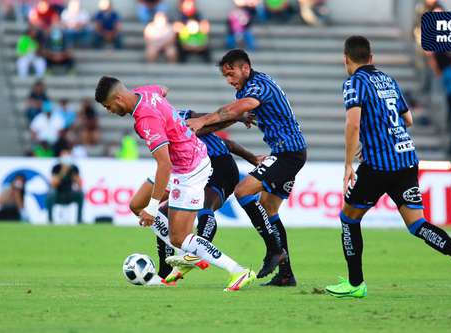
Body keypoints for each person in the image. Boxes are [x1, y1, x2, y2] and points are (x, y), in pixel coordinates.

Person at [324, 36, 451, 299]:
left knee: (348, 218)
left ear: (346, 59)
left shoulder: (353, 83)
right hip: (406, 160)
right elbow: (407, 119)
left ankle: (355, 283)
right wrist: (379, 134)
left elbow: (352, 124)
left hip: (378, 166)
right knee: (416, 224)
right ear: (371, 58)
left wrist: (349, 164)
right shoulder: (389, 80)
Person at [94, 76, 256, 291]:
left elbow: (164, 165)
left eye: (108, 106)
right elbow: (163, 89)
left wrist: (153, 209)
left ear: (118, 98)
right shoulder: (146, 91)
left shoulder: (145, 120)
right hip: (182, 160)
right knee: (136, 206)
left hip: (188, 168)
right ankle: (187, 255)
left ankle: (238, 270)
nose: (109, 110)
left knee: (180, 237)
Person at [186, 49, 307, 286]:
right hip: (288, 152)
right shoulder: (247, 88)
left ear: (245, 68)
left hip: (288, 153)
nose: (230, 80)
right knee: (269, 209)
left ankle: (274, 251)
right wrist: (227, 120)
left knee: (243, 191)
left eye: (231, 74)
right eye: (225, 77)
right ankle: (285, 274)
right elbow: (233, 115)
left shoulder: (258, 86)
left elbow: (236, 109)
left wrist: (201, 120)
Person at [129, 108, 260, 283]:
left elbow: (212, 123)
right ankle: (170, 269)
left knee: (205, 206)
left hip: (217, 166)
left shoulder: (181, 118)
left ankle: (196, 253)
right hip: (183, 167)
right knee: (162, 214)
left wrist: (237, 116)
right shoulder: (155, 127)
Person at [46, 147, 84, 223]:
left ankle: (79, 220)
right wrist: (63, 171)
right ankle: (50, 219)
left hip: (69, 193)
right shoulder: (56, 168)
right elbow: (53, 184)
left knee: (80, 194)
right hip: (58, 194)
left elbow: (80, 184)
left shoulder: (74, 168)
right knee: (51, 193)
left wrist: (74, 175)